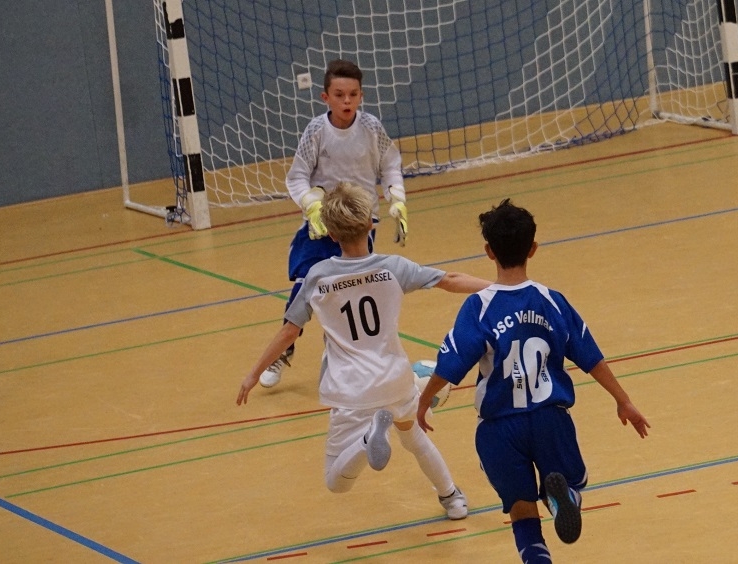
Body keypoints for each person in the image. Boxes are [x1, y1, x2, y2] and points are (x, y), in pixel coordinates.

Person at [237, 182, 490, 520]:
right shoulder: (393, 267)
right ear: (371, 224)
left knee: (336, 482)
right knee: (413, 436)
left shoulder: (317, 277)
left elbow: (289, 332)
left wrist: (253, 374)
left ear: (330, 234)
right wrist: (500, 288)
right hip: (395, 380)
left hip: (351, 389)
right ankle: (452, 498)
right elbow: (450, 279)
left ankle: (367, 441)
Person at [416, 199, 650, 563]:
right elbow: (590, 356)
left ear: (489, 251)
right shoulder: (551, 301)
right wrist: (624, 400)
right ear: (533, 249)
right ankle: (563, 498)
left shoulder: (479, 306)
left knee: (522, 511)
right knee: (571, 484)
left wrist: (423, 400)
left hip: (499, 427)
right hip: (549, 419)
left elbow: (452, 364)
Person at [260, 58, 409, 388]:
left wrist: (397, 199)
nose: (346, 101)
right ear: (325, 97)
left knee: (348, 291)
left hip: (360, 223)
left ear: (361, 96)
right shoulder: (316, 131)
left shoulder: (372, 128)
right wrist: (312, 206)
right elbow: (297, 177)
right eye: (339, 95)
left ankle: (341, 355)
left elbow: (390, 166)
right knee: (306, 285)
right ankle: (284, 350)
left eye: (353, 95)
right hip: (322, 225)